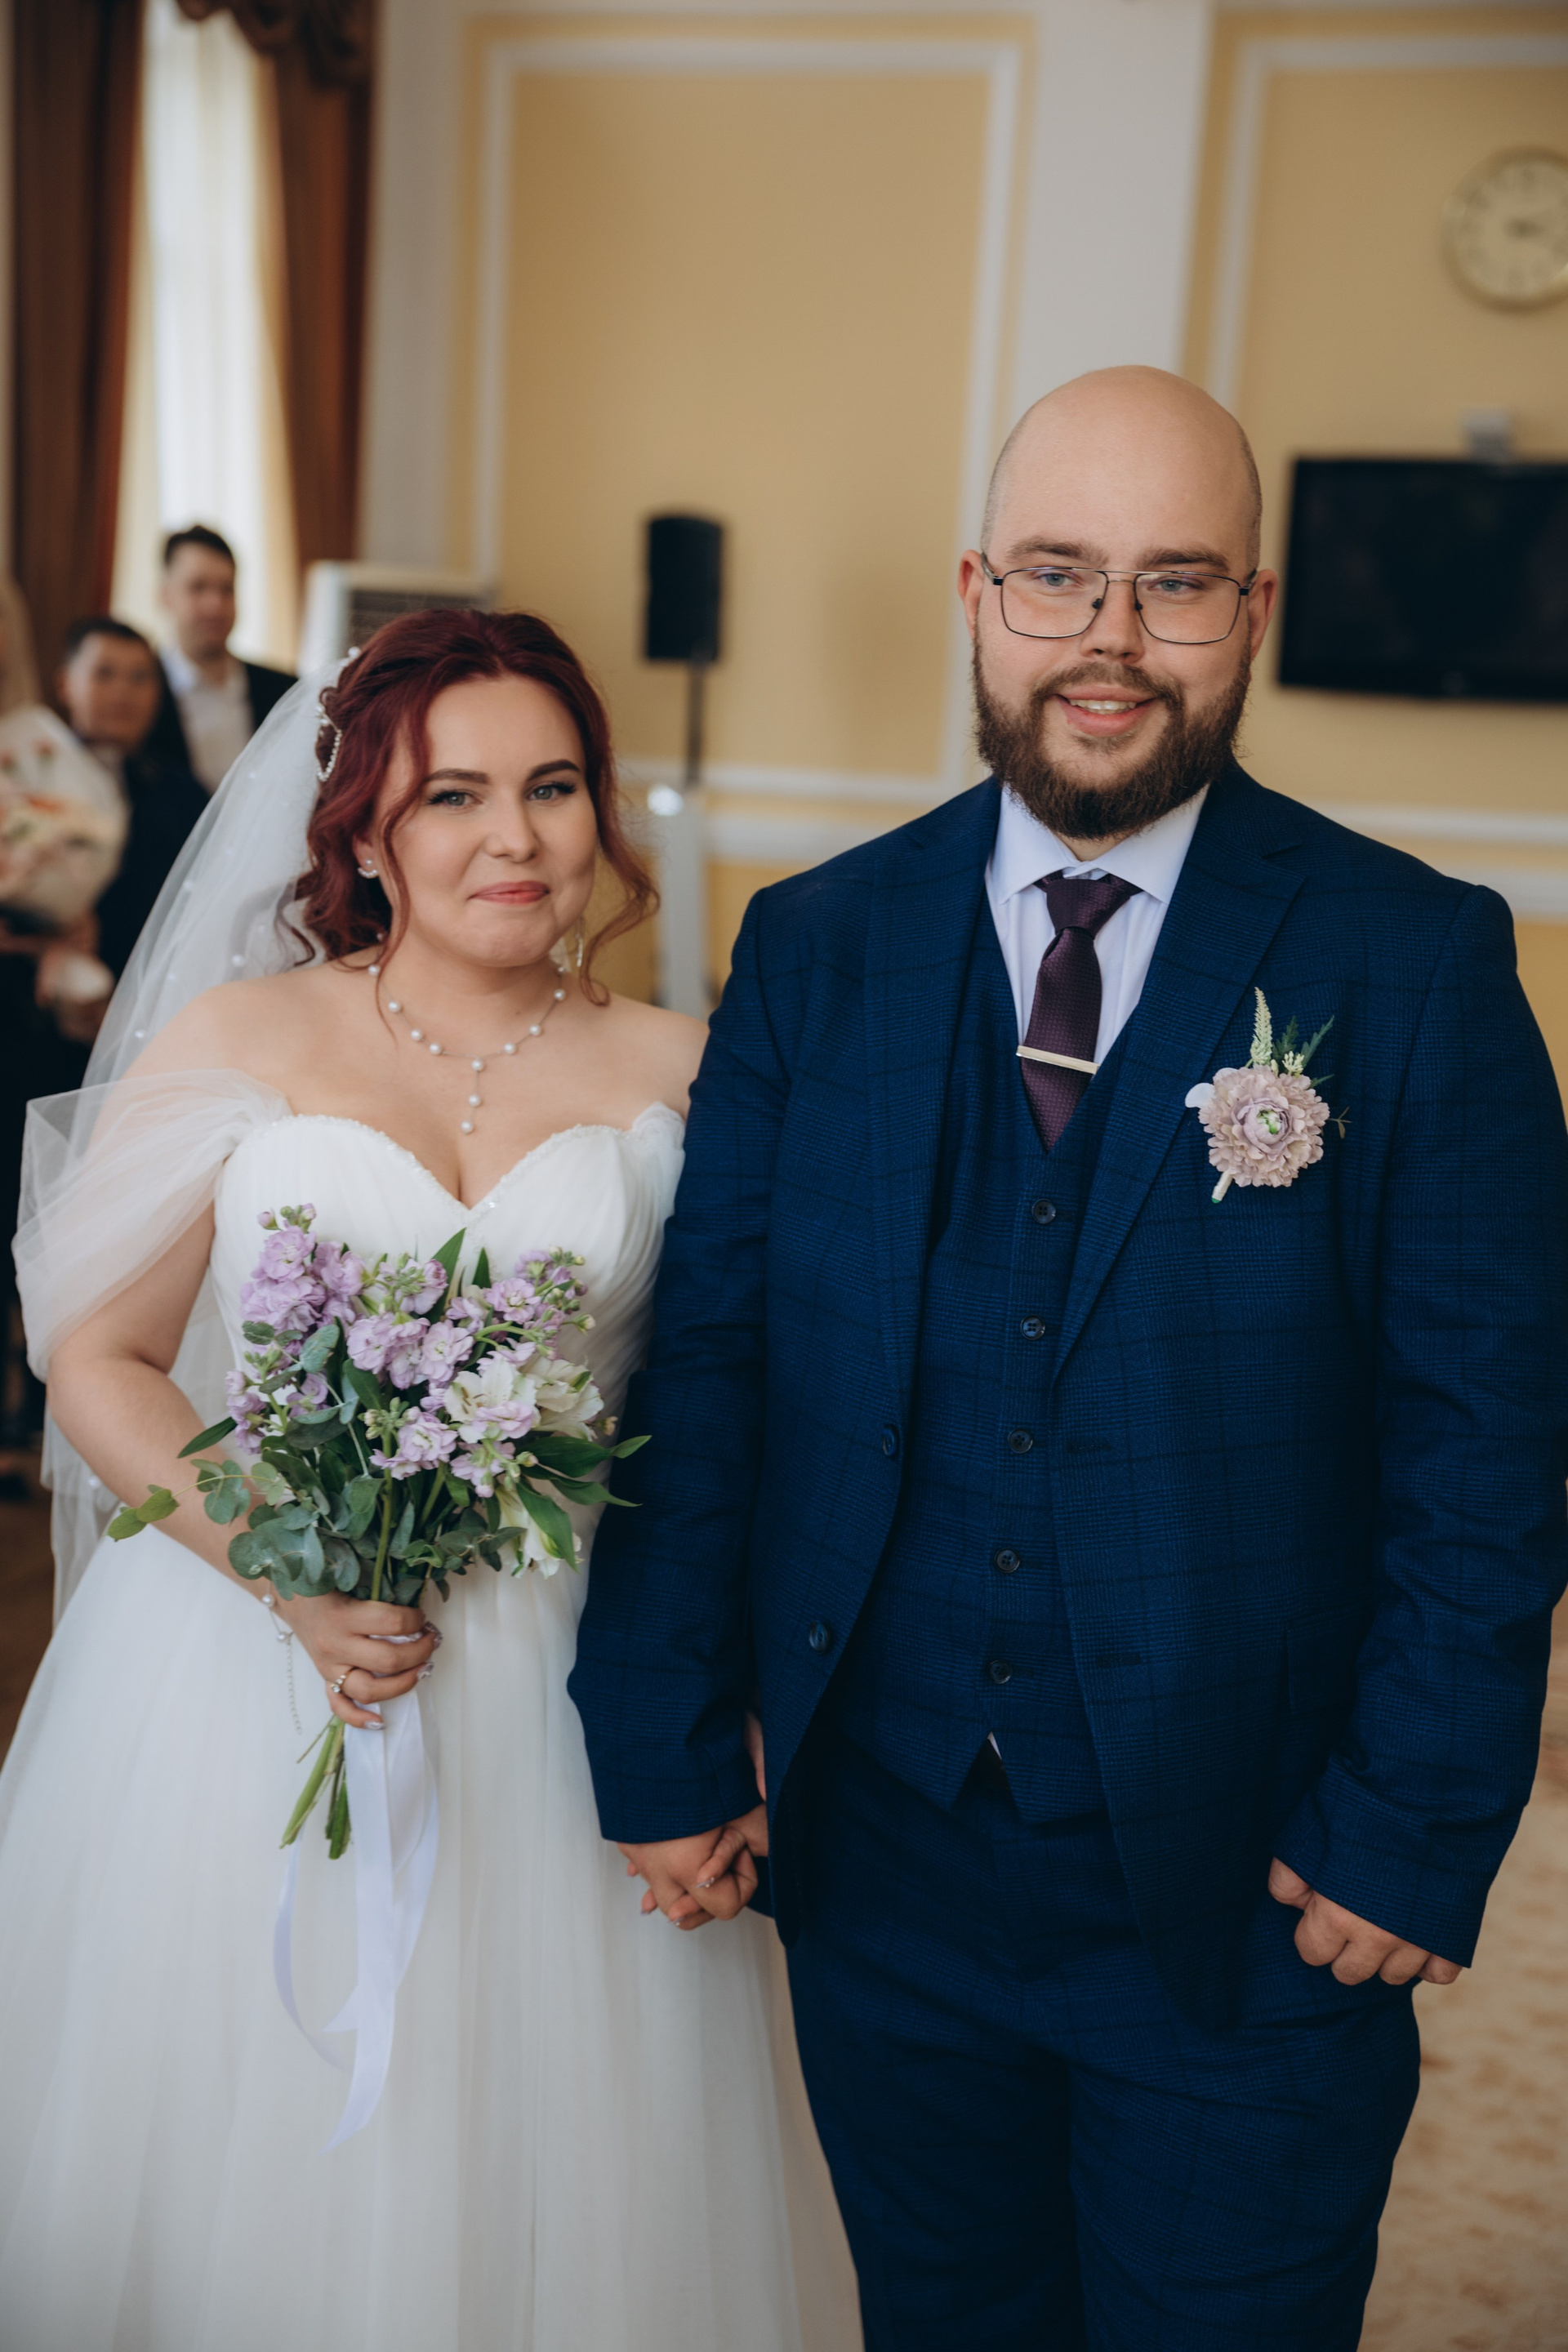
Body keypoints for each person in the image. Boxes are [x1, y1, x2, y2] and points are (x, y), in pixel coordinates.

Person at [569, 367, 1568, 2350]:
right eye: (1057, 574)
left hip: (1252, 1898)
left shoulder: (1414, 961)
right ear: (976, 593)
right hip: (883, 1874)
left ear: (1250, 612)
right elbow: (718, 1365)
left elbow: (1490, 1437)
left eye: (1172, 582)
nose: (1109, 636)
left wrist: (1409, 1826)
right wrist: (665, 1735)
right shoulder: (816, 943)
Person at [0, 608, 857, 2352]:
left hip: (575, 1678)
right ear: (366, 832)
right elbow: (97, 1361)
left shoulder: (693, 1070)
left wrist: (742, 1713)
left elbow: (765, 1422)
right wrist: (286, 1571)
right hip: (242, 1663)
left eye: (552, 786)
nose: (511, 837)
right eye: (452, 794)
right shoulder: (242, 1034)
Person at [57, 615, 209, 976]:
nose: (123, 692)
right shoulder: (29, 775)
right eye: (104, 674)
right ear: (66, 684)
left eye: (140, 677)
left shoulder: (185, 793)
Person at [145, 523, 296, 791]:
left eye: (227, 589)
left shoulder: (285, 690)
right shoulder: (142, 693)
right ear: (165, 595)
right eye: (198, 587)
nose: (215, 605)